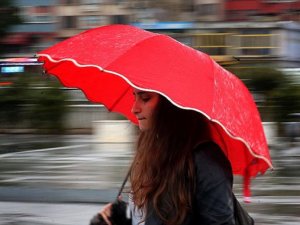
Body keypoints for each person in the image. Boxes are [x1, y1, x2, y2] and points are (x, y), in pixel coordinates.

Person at [97, 88, 235, 225]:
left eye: (145, 98)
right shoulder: (151, 150)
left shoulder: (205, 161)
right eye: (135, 98)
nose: (134, 109)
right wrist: (121, 219)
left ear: (172, 104)